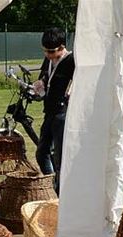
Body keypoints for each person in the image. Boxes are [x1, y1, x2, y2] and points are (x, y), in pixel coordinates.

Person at [33, 27, 75, 194]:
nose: (48, 55)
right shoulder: (49, 59)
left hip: (63, 113)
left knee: (60, 156)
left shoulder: (72, 61)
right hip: (49, 111)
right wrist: (41, 82)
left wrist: (72, 90)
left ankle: (62, 192)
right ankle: (53, 184)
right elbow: (45, 75)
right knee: (41, 152)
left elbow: (80, 81)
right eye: (45, 51)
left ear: (62, 47)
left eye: (51, 51)